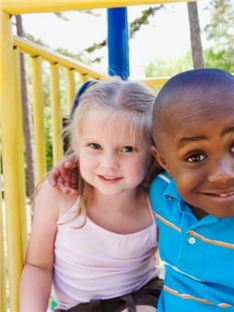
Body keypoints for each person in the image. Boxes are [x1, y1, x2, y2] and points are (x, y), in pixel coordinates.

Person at [50, 69, 234, 311]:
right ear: (164, 162)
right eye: (195, 157)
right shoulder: (162, 192)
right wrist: (74, 164)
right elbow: (121, 168)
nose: (222, 174)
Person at [20, 80, 163, 311]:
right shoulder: (60, 196)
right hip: (77, 307)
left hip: (141, 297)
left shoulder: (159, 199)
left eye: (127, 149)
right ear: (77, 148)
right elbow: (38, 266)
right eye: (95, 146)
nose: (109, 164)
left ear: (154, 154)